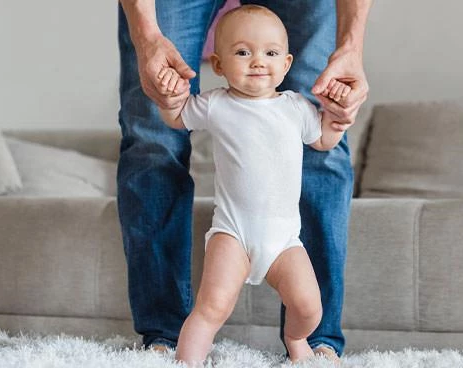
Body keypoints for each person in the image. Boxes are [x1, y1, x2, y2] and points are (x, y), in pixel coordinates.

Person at [117, 0, 371, 363]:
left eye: (270, 53)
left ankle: (305, 342)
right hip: (232, 233)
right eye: (242, 52)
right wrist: (170, 94)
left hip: (285, 240)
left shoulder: (298, 107)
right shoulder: (215, 104)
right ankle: (177, 352)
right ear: (218, 65)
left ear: (286, 64)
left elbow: (324, 140)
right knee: (212, 308)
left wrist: (337, 114)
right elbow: (175, 118)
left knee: (309, 306)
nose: (257, 61)